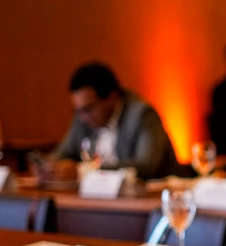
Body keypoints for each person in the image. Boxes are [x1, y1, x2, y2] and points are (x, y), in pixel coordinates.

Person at [50, 62, 182, 179]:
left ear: (112, 97)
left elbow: (147, 165)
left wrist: (85, 170)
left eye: (89, 109)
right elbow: (60, 155)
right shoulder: (83, 116)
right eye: (78, 111)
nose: (83, 117)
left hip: (154, 195)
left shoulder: (141, 115)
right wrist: (50, 168)